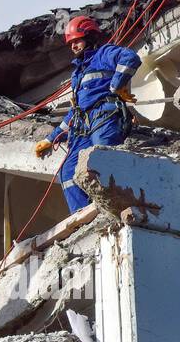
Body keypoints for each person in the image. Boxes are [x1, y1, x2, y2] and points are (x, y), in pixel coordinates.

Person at [35, 15, 141, 212]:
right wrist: (51, 139)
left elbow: (130, 58)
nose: (74, 46)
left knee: (100, 159)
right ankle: (83, 216)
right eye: (71, 43)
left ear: (90, 37)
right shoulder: (77, 74)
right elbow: (74, 113)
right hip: (82, 126)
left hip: (104, 117)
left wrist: (117, 86)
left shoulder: (103, 54)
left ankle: (111, 208)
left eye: (77, 40)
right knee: (68, 172)